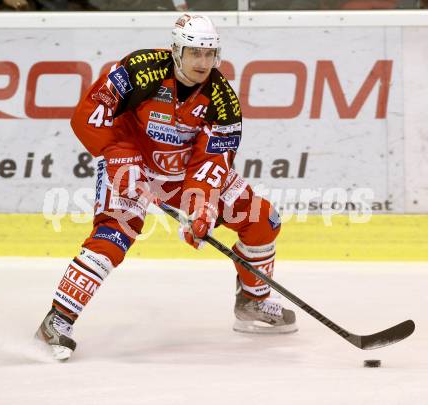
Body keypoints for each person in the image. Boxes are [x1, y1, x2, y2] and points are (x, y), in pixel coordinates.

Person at [35, 14, 297, 361]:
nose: (203, 63)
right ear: (176, 51)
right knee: (114, 234)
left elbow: (211, 161)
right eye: (195, 53)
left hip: (181, 174)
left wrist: (200, 206)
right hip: (130, 163)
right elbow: (89, 113)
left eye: (210, 54)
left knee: (264, 218)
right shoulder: (140, 69)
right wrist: (117, 153)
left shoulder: (223, 100)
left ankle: (253, 298)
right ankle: (57, 320)